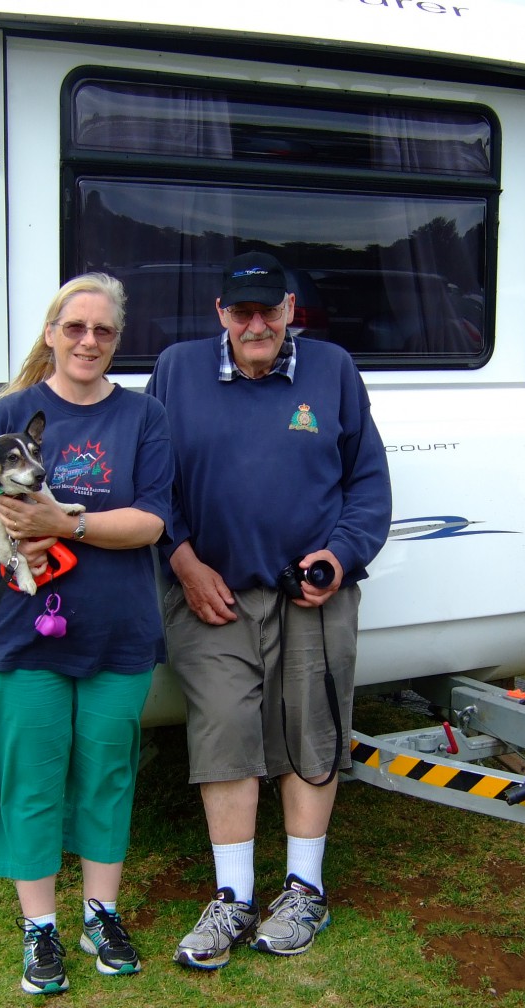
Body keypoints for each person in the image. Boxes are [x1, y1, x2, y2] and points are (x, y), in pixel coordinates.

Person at [0, 273, 173, 995]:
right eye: (75, 328)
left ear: (117, 340)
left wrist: (65, 524)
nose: (88, 341)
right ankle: (40, 927)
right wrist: (2, 545)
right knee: (29, 777)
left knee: (107, 775)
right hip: (21, 633)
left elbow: (151, 521)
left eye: (103, 330)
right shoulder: (10, 412)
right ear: (52, 334)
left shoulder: (144, 417)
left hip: (117, 631)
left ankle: (101, 914)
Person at [146, 251, 391, 968]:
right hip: (211, 593)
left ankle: (305, 890)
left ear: (289, 311)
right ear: (220, 313)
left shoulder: (333, 370)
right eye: (242, 311)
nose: (257, 325)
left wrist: (339, 557)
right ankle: (233, 898)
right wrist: (183, 561)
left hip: (310, 593)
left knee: (313, 728)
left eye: (269, 311)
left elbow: (368, 484)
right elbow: (151, 483)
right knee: (223, 727)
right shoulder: (177, 370)